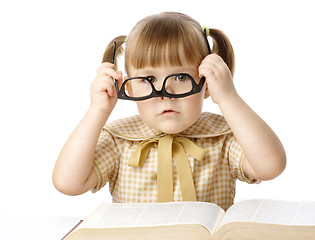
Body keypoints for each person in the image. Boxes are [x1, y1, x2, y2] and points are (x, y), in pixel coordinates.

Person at [53, 12, 286, 211]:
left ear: (205, 83)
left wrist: (228, 97)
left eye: (181, 77)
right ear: (129, 86)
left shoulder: (222, 137)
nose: (165, 93)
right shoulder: (120, 140)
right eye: (148, 78)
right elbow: (68, 183)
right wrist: (97, 110)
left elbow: (270, 166)